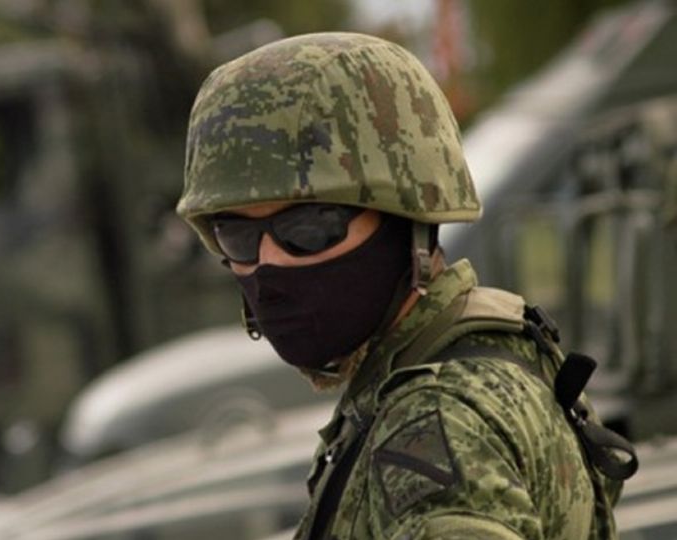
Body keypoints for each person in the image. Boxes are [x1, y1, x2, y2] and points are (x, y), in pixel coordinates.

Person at [176, 33, 636, 539]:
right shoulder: (464, 352)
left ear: (407, 223)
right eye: (236, 235)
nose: (270, 262)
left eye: (309, 229)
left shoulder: (438, 424)